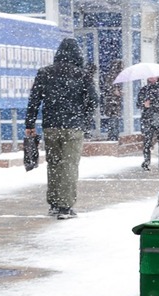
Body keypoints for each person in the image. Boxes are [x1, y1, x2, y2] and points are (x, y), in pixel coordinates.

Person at [24, 38, 98, 220]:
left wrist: (29, 124)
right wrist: (83, 115)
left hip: (51, 126)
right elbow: (94, 100)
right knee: (69, 166)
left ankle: (55, 203)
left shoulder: (45, 73)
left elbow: (34, 100)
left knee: (55, 164)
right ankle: (65, 207)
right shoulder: (82, 75)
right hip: (73, 127)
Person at [136, 76, 159, 170]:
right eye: (149, 77)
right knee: (147, 141)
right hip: (147, 118)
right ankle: (146, 161)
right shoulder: (144, 89)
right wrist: (144, 105)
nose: (151, 78)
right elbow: (138, 103)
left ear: (157, 77)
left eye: (153, 77)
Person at [101, 62, 123, 141]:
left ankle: (114, 137)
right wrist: (115, 91)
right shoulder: (112, 76)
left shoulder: (114, 76)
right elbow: (110, 88)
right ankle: (113, 137)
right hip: (112, 103)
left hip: (114, 103)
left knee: (114, 120)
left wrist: (119, 92)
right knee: (113, 120)